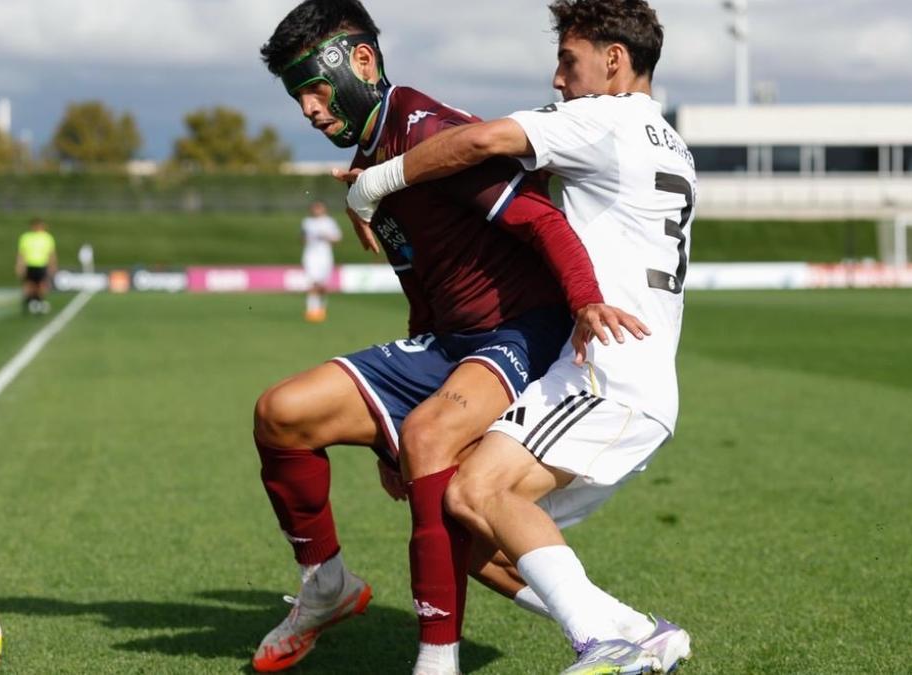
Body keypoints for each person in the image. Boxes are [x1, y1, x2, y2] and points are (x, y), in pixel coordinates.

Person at [254, 3, 646, 674]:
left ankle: (439, 661)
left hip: (523, 330)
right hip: (450, 341)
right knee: (281, 414)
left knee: (435, 451)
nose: (310, 110)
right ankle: (326, 586)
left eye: (314, 89)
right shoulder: (370, 162)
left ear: (362, 62)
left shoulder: (425, 128)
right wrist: (390, 424)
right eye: (298, 99)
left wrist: (584, 301)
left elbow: (543, 220)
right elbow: (422, 288)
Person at [346, 1, 695, 672]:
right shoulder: (667, 140)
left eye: (569, 61)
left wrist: (379, 182)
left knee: (479, 490)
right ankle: (633, 630)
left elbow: (478, 142)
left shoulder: (600, 117)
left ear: (613, 61)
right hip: (634, 379)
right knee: (466, 517)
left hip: (607, 372)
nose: (558, 81)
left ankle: (602, 643)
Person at [300, 200, 342, 322]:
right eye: (314, 208)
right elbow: (302, 238)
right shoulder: (307, 222)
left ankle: (321, 309)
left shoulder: (329, 222)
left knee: (323, 285)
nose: (316, 210)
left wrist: (326, 236)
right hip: (311, 256)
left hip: (325, 256)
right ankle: (311, 310)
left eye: (319, 208)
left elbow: (337, 239)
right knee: (312, 283)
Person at [16, 218, 57, 314]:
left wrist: (53, 265)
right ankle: (29, 302)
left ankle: (40, 301)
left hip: (42, 264)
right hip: (30, 264)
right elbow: (22, 253)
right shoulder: (26, 237)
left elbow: (51, 253)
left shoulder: (47, 237)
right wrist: (20, 265)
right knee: (29, 285)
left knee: (42, 285)